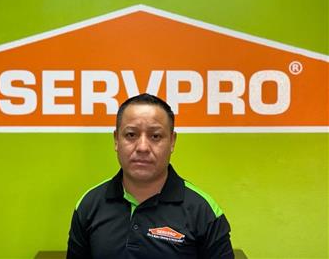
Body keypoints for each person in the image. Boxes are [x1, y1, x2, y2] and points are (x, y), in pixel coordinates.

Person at [67, 93, 234, 259]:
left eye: (155, 136)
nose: (142, 147)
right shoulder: (89, 205)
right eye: (131, 135)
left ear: (172, 141)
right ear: (116, 140)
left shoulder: (203, 211)